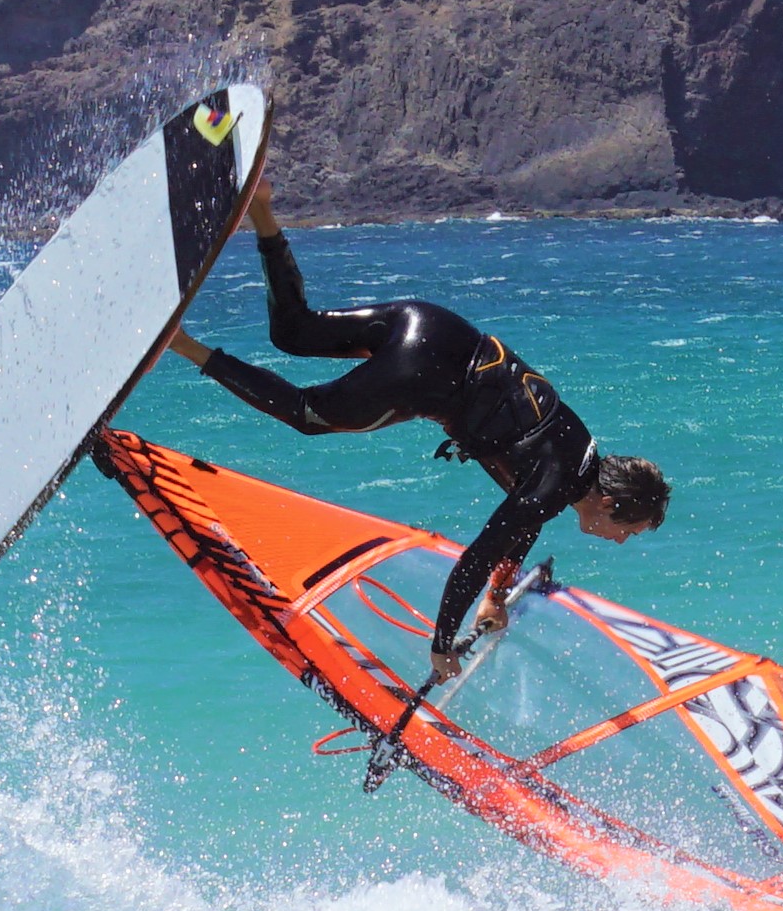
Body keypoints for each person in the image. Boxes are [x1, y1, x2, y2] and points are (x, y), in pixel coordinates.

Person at [165, 188, 671, 682]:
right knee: (306, 414)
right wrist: (441, 642)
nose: (622, 539)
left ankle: (262, 211)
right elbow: (477, 555)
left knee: (293, 332)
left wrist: (498, 593)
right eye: (629, 528)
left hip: (432, 325)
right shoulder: (556, 484)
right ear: (607, 502)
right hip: (423, 376)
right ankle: (182, 342)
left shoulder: (579, 450)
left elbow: (523, 524)